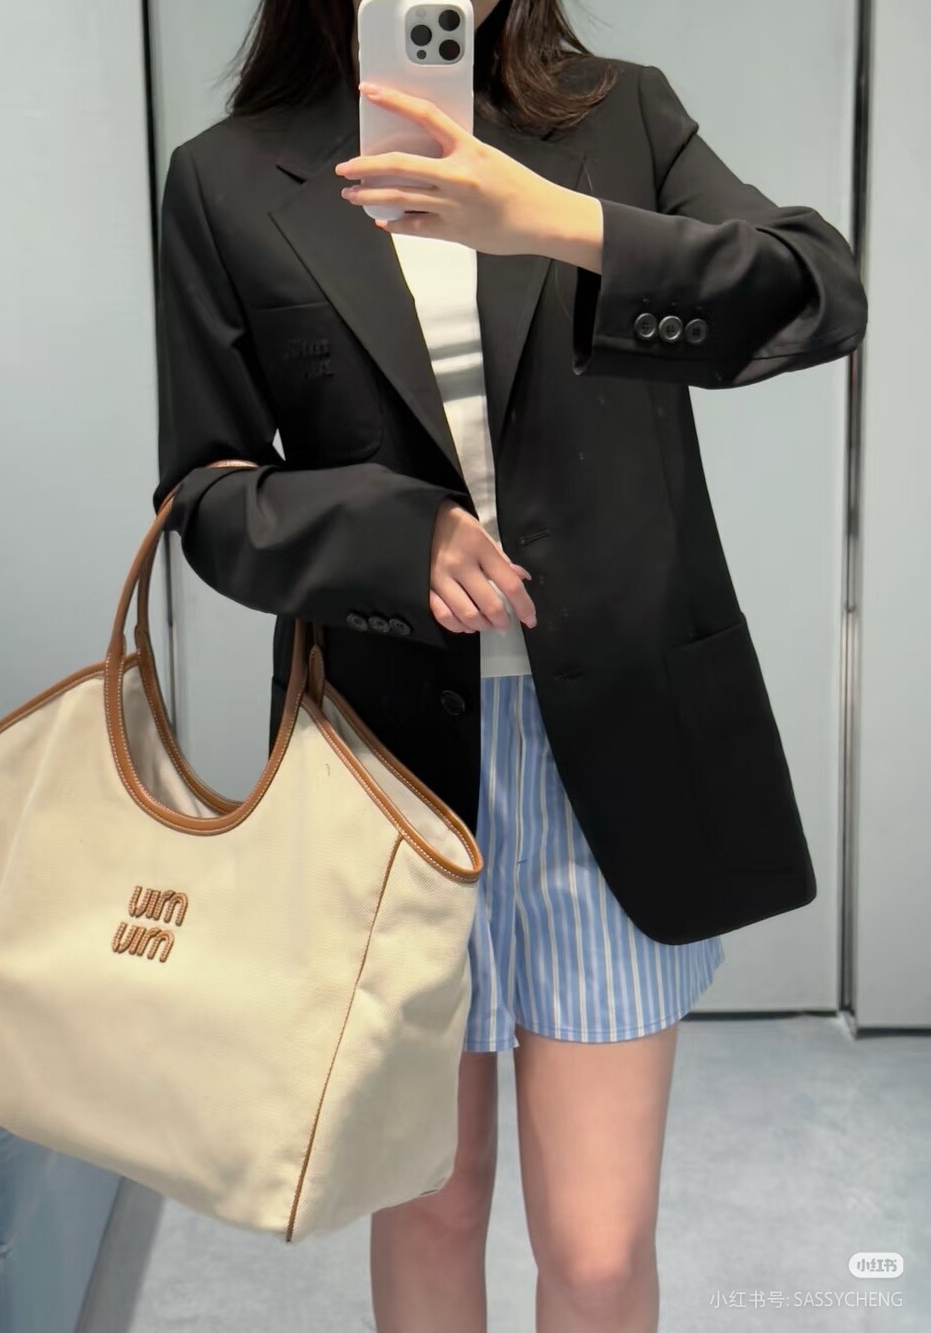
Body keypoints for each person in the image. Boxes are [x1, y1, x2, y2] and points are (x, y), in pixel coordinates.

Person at [152, 1, 867, 1329]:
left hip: (619, 744)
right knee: (432, 1205)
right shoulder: (230, 176)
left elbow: (817, 292)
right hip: (385, 774)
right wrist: (388, 534)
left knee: (595, 1250)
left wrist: (556, 221)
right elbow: (205, 494)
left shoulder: (618, 115)